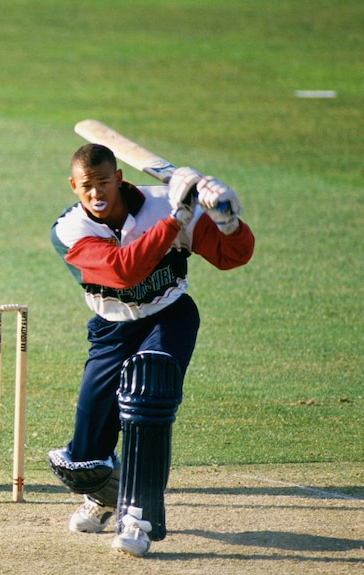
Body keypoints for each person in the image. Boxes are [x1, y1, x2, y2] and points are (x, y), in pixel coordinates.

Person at [47, 143, 254, 557]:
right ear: (73, 186)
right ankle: (106, 495)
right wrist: (177, 219)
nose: (96, 193)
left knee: (149, 392)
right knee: (82, 464)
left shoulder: (163, 203)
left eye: (104, 182)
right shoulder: (70, 231)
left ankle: (138, 517)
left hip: (169, 317)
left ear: (119, 178)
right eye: (87, 186)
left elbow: (234, 256)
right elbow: (124, 272)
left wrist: (227, 220)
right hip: (112, 329)